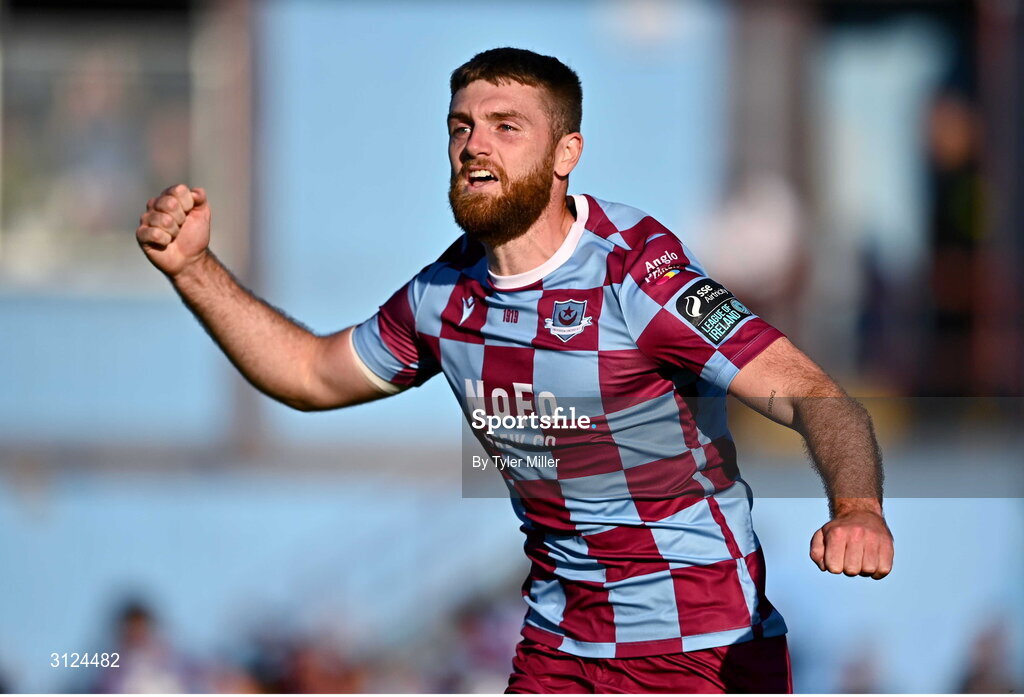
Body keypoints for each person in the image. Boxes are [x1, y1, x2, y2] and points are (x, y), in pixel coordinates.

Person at [135, 47, 894, 694]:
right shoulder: (443, 297)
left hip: (703, 650)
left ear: (566, 154)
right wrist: (194, 270)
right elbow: (308, 372)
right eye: (461, 127)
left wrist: (857, 506)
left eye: (506, 128)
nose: (475, 146)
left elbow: (819, 397)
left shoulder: (640, 277)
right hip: (559, 652)